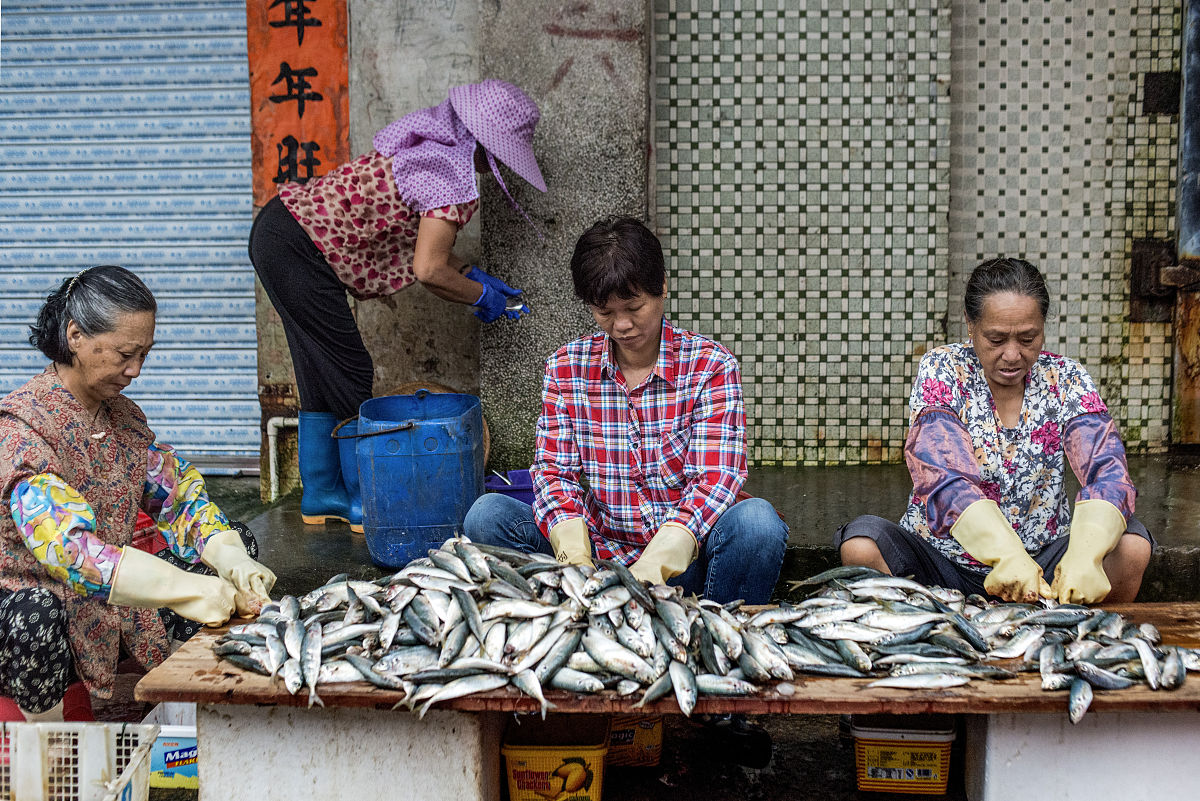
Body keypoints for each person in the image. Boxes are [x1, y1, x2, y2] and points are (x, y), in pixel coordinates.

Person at [250, 79, 547, 533]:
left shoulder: (435, 144)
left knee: (318, 371)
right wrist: (482, 297)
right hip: (300, 248)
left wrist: (468, 274)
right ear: (490, 146)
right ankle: (364, 503)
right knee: (350, 374)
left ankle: (321, 494)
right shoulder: (454, 179)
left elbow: (428, 248)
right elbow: (429, 269)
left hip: (280, 231)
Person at [464, 216, 788, 604]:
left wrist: (655, 565)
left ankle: (719, 635)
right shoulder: (566, 367)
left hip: (687, 563)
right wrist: (575, 557)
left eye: (634, 307)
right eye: (604, 312)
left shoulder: (710, 366)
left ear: (662, 287)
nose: (621, 325)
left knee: (757, 522)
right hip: (599, 560)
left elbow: (716, 479)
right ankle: (567, 616)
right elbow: (554, 473)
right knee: (487, 515)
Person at [0, 266, 276, 722]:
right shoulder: (22, 429)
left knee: (236, 542)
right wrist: (182, 589)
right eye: (126, 355)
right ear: (75, 336)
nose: (136, 371)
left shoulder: (122, 419)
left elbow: (177, 497)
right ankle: (51, 742)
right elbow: (71, 552)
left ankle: (195, 708)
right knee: (36, 614)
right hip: (32, 606)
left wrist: (230, 556)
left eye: (144, 355)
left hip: (107, 598)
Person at [836, 258, 1151, 603]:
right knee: (861, 545)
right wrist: (1005, 555)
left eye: (1028, 338)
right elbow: (942, 475)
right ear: (971, 325)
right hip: (944, 560)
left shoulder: (1066, 377)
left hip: (1042, 564)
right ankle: (922, 635)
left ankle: (1093, 640)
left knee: (1131, 546)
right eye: (996, 339)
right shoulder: (943, 369)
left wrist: (1086, 552)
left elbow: (1107, 470)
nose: (1013, 355)